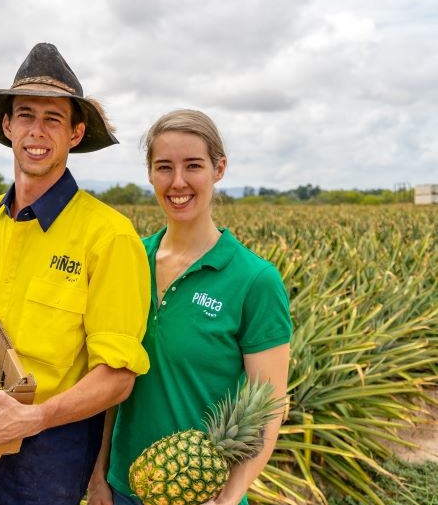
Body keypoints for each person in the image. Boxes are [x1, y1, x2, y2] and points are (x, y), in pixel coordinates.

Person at [0, 43, 152, 505]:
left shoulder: (108, 237)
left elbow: (118, 376)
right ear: (7, 126)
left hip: (44, 458)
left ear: (76, 133)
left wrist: (34, 417)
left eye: (53, 119)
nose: (36, 131)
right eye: (25, 115)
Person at [87, 109, 293, 505]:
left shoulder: (254, 280)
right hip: (120, 489)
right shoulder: (129, 261)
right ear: (149, 174)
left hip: (205, 495)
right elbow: (108, 379)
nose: (177, 182)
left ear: (219, 169)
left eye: (193, 166)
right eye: (164, 167)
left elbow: (268, 411)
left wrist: (229, 498)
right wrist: (98, 478)